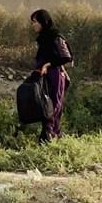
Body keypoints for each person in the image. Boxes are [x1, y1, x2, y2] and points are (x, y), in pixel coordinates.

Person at [31, 9, 73, 143]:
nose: (34, 25)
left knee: (53, 106)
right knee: (43, 105)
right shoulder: (43, 38)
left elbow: (66, 57)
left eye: (35, 22)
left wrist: (48, 65)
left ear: (43, 22)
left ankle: (51, 136)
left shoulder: (55, 37)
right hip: (45, 77)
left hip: (55, 75)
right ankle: (49, 135)